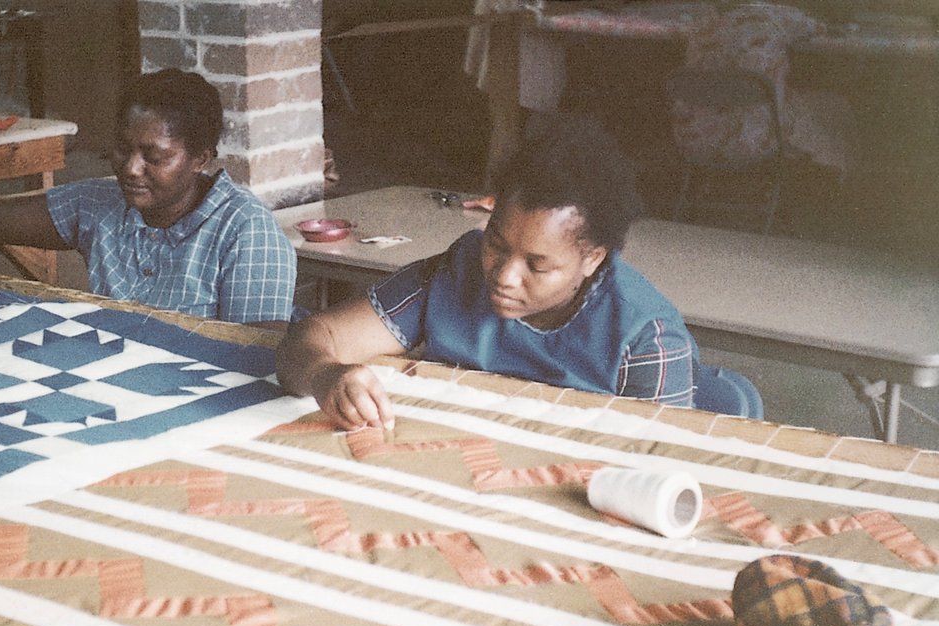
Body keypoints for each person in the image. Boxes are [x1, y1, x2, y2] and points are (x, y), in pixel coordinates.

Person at [276, 117, 698, 431]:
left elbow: (662, 460)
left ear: (593, 259)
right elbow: (316, 338)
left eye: (537, 265)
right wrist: (326, 375)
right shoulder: (456, 271)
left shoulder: (646, 337)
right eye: (495, 244)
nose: (504, 276)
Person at [0, 69, 297, 328]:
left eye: (155, 157)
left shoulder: (245, 231)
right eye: (123, 149)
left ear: (201, 158)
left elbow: (255, 357)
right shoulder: (101, 205)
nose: (130, 168)